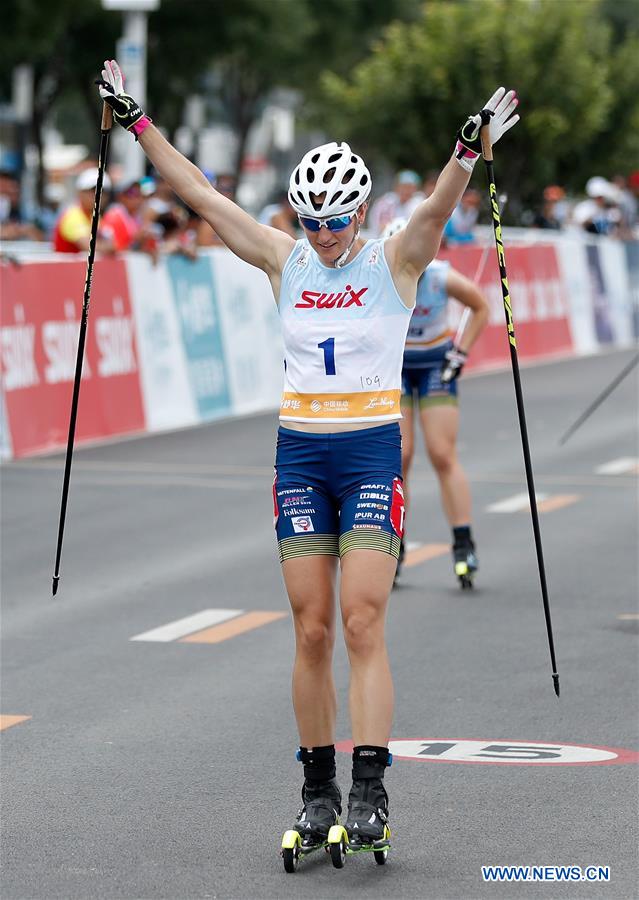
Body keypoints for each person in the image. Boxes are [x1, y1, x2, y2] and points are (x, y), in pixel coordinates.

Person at [96, 59, 519, 858]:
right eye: (312, 220)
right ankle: (316, 788)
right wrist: (137, 121)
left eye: (336, 221)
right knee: (312, 630)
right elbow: (201, 195)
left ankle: (368, 788)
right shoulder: (282, 258)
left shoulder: (393, 260)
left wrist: (467, 150)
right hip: (298, 454)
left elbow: (436, 207)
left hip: (365, 452)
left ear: (358, 213)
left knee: (362, 619)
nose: (324, 236)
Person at [382, 219, 489, 588]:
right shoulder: (381, 274)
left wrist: (460, 354)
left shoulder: (441, 276)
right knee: (401, 457)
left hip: (433, 365)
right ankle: (395, 545)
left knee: (442, 454)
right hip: (395, 368)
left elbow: (481, 307)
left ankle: (463, 543)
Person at [52, 168, 113, 254]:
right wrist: (109, 247)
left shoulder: (95, 217)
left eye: (103, 191)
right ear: (80, 193)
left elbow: (111, 243)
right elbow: (89, 247)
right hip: (66, 267)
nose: (99, 195)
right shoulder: (73, 215)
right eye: (93, 190)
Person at [369, 169, 424, 236]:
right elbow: (375, 222)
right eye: (404, 187)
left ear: (415, 189)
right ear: (396, 187)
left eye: (410, 187)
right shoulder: (386, 202)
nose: (406, 191)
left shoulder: (419, 204)